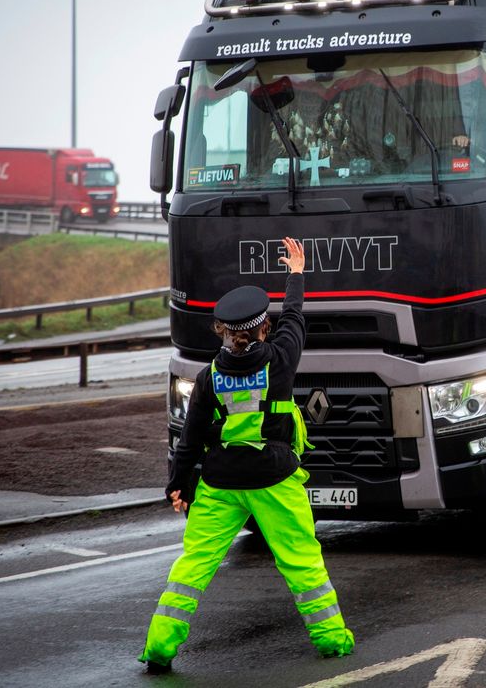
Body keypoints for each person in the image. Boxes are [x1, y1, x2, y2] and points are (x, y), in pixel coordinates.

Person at [138, 237, 355, 673]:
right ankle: (332, 641)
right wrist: (296, 273)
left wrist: (178, 485)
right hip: (274, 481)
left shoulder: (208, 377)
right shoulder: (280, 359)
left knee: (192, 567)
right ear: (263, 329)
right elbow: (294, 316)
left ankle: (159, 647)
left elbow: (190, 438)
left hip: (219, 486)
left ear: (221, 332)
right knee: (302, 562)